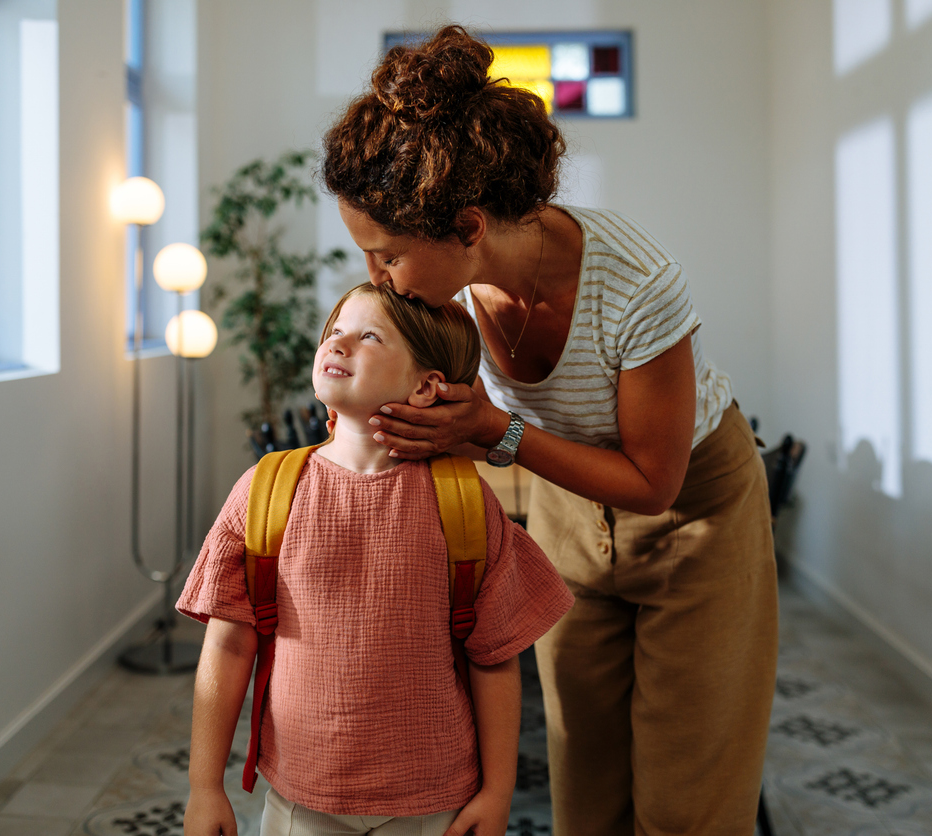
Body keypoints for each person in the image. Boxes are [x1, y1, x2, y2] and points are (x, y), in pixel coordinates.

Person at [320, 25, 778, 836]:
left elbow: (653, 483)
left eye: (386, 255)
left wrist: (493, 430)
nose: (376, 276)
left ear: (468, 228)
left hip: (692, 521)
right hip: (569, 511)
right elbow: (428, 400)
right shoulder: (447, 296)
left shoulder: (637, 285)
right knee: (585, 784)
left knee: (688, 802)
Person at [179, 282, 574, 836]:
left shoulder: (463, 501)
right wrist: (204, 786)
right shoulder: (265, 490)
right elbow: (227, 645)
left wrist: (497, 792)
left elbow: (493, 657)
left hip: (436, 801)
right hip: (301, 799)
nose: (337, 344)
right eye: (336, 330)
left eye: (368, 336)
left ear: (426, 386)